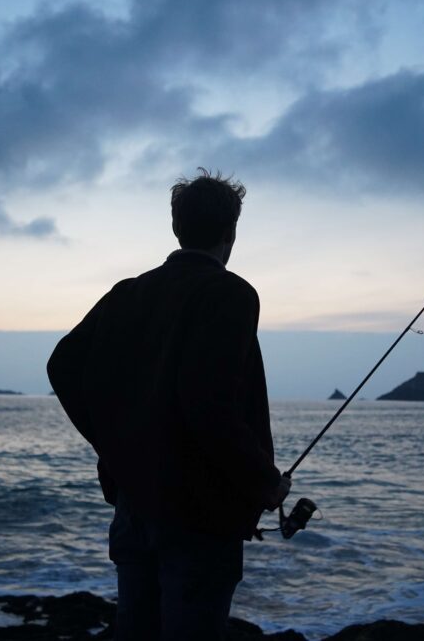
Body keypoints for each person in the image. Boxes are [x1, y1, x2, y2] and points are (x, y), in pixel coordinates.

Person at [47, 168, 291, 641]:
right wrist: (265, 482)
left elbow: (62, 366)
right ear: (230, 232)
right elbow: (208, 407)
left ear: (177, 228)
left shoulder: (127, 293)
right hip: (198, 515)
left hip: (134, 502)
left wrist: (115, 442)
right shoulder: (230, 293)